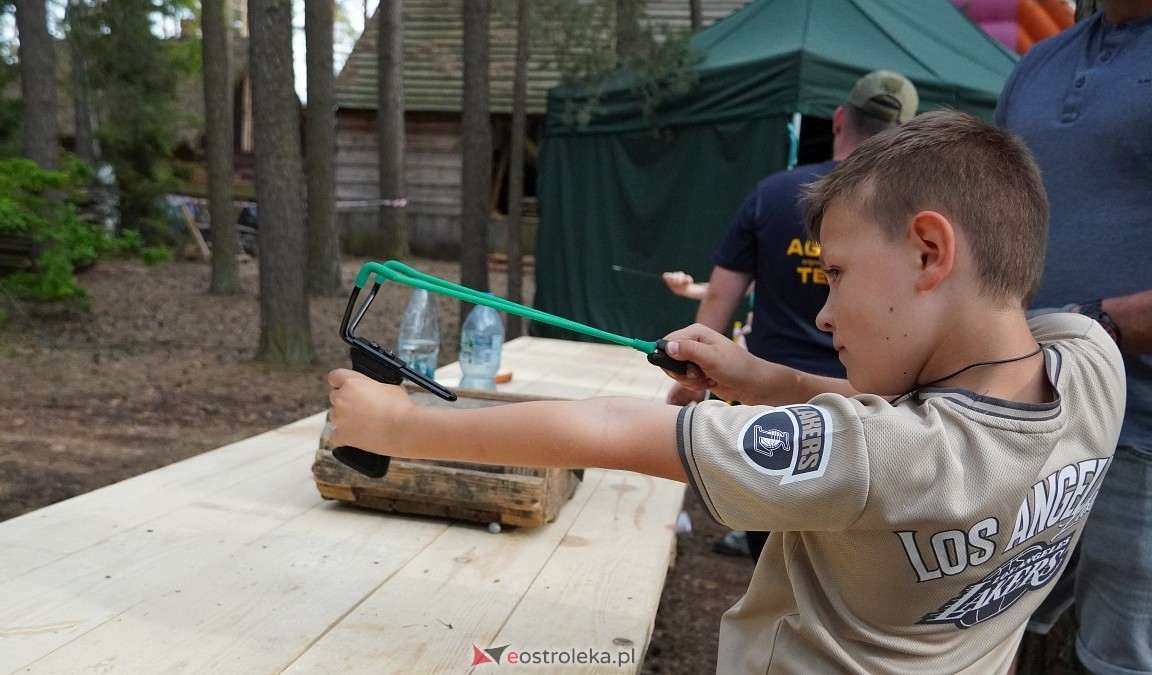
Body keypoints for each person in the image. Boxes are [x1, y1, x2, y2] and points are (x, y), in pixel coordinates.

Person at [328, 111, 1126, 673]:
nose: (823, 309)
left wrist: (402, 423)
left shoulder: (875, 459)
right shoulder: (1089, 363)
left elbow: (613, 429)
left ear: (928, 250)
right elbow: (938, 419)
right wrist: (761, 378)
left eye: (838, 273)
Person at [667, 69, 919, 559]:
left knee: (772, 553)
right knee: (846, 559)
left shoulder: (774, 192)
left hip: (768, 404)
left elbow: (722, 295)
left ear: (841, 118)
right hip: (869, 410)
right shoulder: (913, 214)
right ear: (906, 137)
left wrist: (689, 369)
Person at [994, 2, 1152, 673]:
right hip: (1019, 419)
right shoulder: (1039, 62)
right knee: (981, 626)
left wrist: (1097, 323)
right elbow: (990, 217)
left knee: (1121, 658)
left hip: (1141, 435)